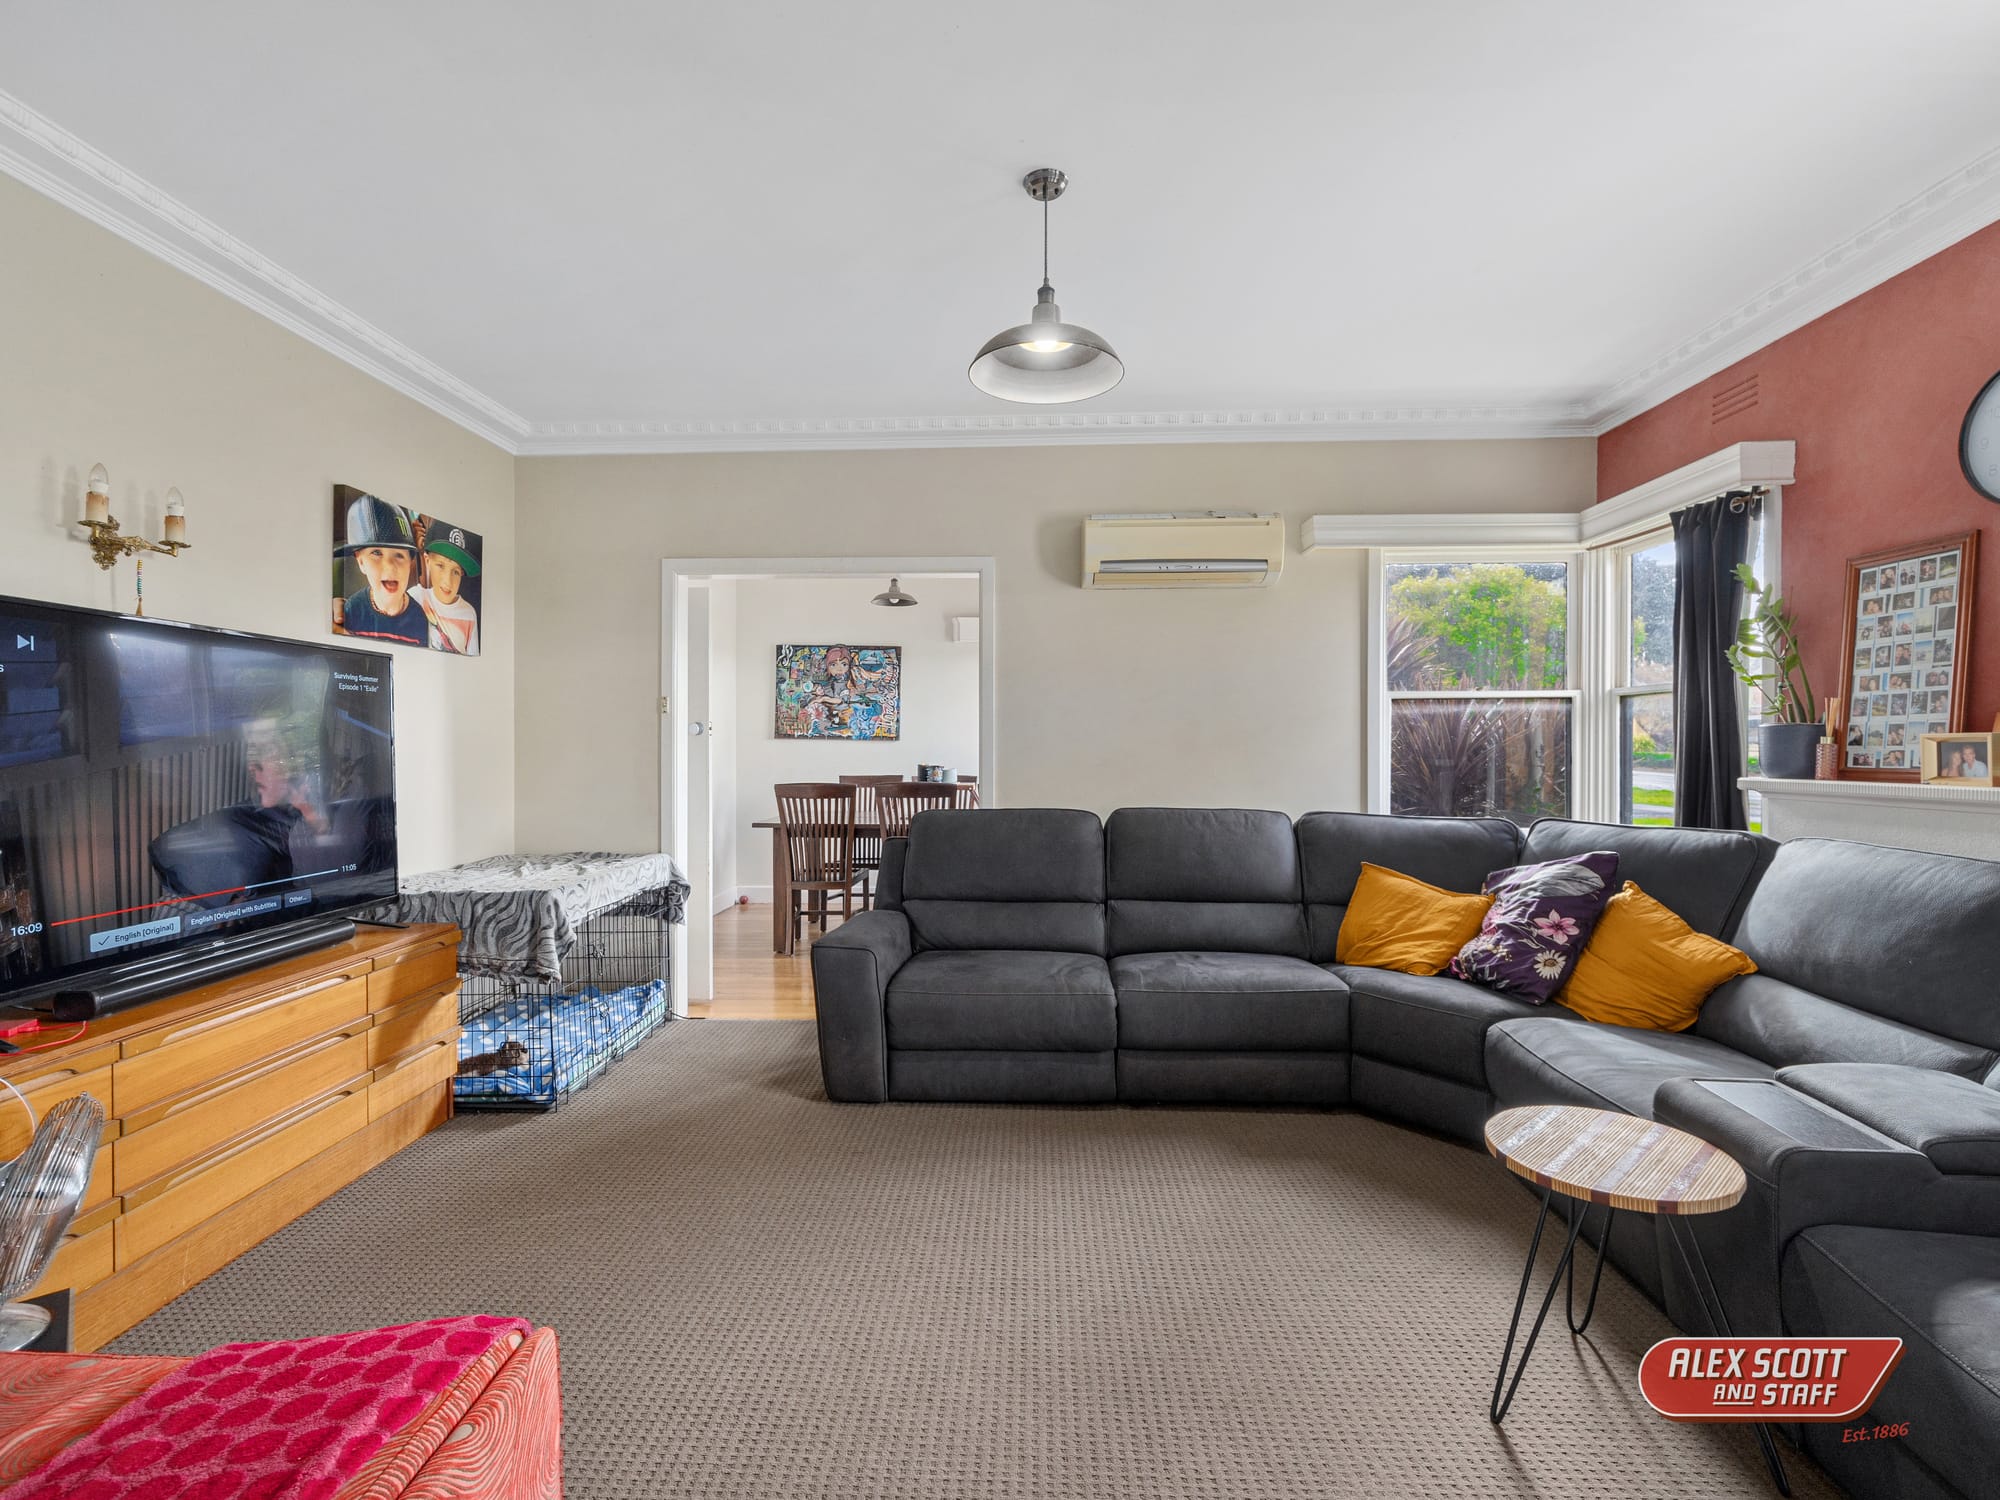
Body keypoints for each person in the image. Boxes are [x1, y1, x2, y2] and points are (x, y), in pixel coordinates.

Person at [334, 494, 426, 646]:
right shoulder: (352, 611)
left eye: (399, 555)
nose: (389, 566)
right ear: (361, 562)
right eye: (376, 553)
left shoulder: (420, 618)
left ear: (410, 562)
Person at [411, 522, 481, 655]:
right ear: (427, 561)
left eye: (455, 572)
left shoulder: (468, 614)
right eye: (440, 566)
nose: (448, 581)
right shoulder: (416, 597)